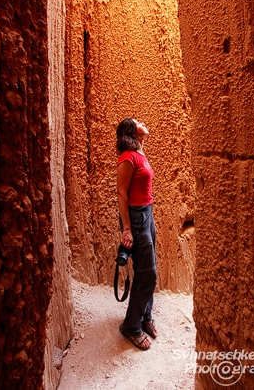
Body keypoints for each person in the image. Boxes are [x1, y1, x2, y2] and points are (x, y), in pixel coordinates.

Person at [116, 117, 157, 350]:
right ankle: (131, 326)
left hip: (147, 213)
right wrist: (127, 229)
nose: (143, 121)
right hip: (137, 218)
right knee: (147, 273)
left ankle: (145, 317)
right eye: (138, 121)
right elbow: (122, 194)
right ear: (132, 131)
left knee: (150, 269)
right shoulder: (127, 158)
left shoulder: (139, 152)